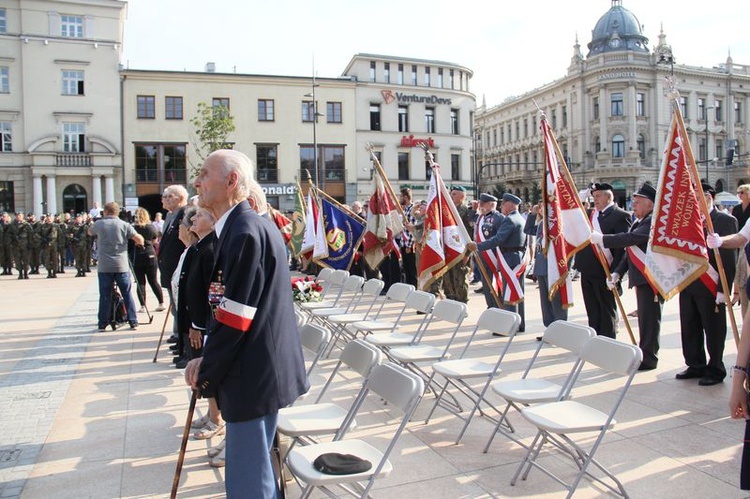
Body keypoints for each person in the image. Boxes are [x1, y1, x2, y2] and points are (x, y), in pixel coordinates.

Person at [184, 149, 308, 497]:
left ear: (231, 181)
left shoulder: (244, 231)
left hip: (251, 376)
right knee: (258, 474)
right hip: (254, 371)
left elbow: (236, 315)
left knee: (248, 483)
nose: (197, 181)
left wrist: (207, 367)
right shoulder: (243, 226)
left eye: (205, 174)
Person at [592, 183, 663, 371]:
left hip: (652, 279)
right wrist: (617, 272)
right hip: (642, 277)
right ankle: (644, 353)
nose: (633, 205)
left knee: (650, 320)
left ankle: (649, 358)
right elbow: (629, 251)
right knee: (644, 319)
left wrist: (603, 239)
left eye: (638, 202)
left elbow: (631, 239)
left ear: (649, 204)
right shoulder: (640, 220)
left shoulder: (652, 221)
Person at [677, 184, 737, 385]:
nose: (693, 201)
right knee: (689, 326)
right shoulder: (688, 221)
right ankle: (695, 365)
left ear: (709, 198)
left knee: (713, 329)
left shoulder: (725, 220)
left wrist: (723, 289)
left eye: (697, 197)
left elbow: (729, 259)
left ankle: (716, 368)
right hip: (689, 282)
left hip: (711, 286)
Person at [574, 182, 632, 338]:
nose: (595, 199)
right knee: (592, 309)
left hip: (605, 270)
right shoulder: (590, 214)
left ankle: (608, 340)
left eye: (598, 196)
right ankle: (595, 338)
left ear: (609, 196)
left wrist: (616, 273)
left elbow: (623, 247)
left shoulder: (621, 215)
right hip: (587, 270)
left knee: (606, 310)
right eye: (594, 196)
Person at [467, 193, 527, 331]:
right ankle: (519, 324)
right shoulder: (519, 218)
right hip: (517, 257)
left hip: (509, 259)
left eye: (503, 204)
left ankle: (509, 326)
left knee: (509, 293)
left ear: (511, 205)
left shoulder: (509, 220)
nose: (501, 207)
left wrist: (478, 246)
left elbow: (498, 239)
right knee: (518, 292)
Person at [88, 202, 144, 332]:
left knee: (105, 295)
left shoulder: (99, 224)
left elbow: (89, 232)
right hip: (121, 265)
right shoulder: (124, 225)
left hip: (104, 266)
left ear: (105, 212)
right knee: (127, 293)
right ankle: (132, 320)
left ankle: (102, 323)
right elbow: (139, 239)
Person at [524, 202, 567, 327]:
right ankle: (549, 327)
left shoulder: (558, 223)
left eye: (545, 206)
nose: (542, 209)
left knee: (556, 301)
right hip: (541, 266)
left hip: (554, 267)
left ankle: (560, 328)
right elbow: (527, 230)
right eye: (541, 206)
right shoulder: (542, 223)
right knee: (545, 302)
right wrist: (532, 214)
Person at [158, 185, 189, 346]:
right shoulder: (170, 215)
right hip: (170, 268)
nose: (165, 199)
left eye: (169, 196)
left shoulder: (184, 214)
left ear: (179, 198)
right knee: (175, 304)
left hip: (178, 267)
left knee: (180, 305)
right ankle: (178, 334)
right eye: (164, 196)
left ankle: (181, 338)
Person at [130, 207, 165, 313]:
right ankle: (161, 302)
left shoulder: (133, 228)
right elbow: (155, 239)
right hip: (150, 254)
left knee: (140, 282)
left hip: (138, 256)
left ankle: (142, 305)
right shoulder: (151, 227)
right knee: (153, 281)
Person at [443, 185, 472, 303]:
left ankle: (462, 302)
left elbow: (470, 235)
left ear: (462, 196)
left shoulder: (466, 212)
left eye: (454, 194)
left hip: (461, 251)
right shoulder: (448, 211)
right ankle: (451, 299)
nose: (451, 196)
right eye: (451, 194)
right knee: (448, 278)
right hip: (449, 249)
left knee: (460, 277)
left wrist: (467, 253)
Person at [471, 193, 503, 297]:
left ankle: (497, 306)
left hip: (493, 256)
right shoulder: (481, 217)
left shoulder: (499, 218)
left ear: (491, 204)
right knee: (485, 283)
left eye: (483, 203)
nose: (480, 205)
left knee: (494, 284)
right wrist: (473, 209)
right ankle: (490, 306)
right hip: (481, 255)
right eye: (480, 203)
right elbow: (470, 220)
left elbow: (500, 238)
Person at [733, 184, 750, 317]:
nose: (740, 195)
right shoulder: (737, 208)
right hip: (740, 241)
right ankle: (736, 293)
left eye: (742, 192)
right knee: (739, 269)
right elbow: (737, 230)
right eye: (738, 193)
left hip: (745, 242)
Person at [397, 187, 417, 287]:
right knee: (406, 269)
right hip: (404, 243)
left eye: (400, 196)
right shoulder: (405, 210)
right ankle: (409, 288)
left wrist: (409, 245)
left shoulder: (412, 210)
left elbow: (412, 230)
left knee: (412, 270)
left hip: (410, 245)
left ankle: (414, 289)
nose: (399, 199)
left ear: (405, 197)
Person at [8, 212, 31, 279]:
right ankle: (20, 273)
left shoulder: (27, 225)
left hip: (25, 245)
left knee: (26, 259)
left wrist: (30, 244)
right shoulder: (12, 225)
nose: (18, 217)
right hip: (16, 245)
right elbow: (9, 234)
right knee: (17, 260)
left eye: (20, 215)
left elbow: (30, 235)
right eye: (17, 216)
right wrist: (12, 239)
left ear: (22, 216)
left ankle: (26, 273)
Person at [39, 214, 59, 279]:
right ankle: (49, 272)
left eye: (50, 218)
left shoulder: (56, 226)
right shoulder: (42, 226)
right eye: (48, 218)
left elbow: (60, 236)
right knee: (47, 259)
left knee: (55, 259)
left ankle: (54, 272)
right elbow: (35, 233)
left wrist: (61, 245)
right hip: (46, 245)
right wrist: (41, 238)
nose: (49, 219)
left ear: (53, 219)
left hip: (54, 244)